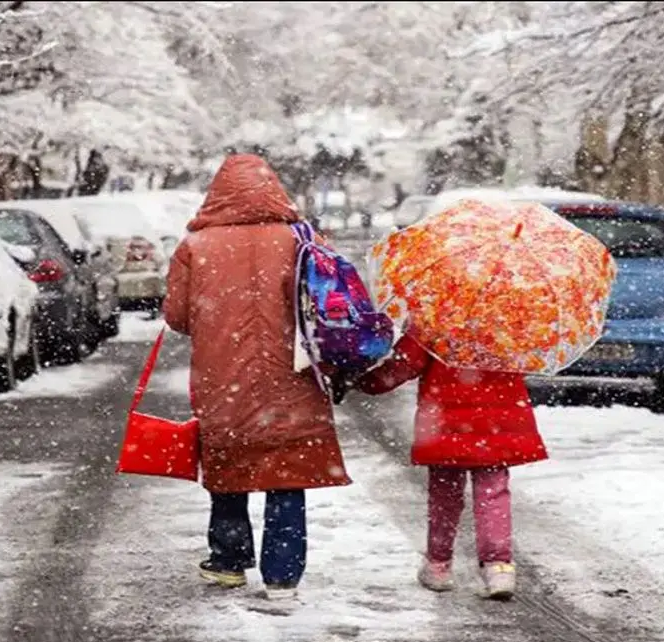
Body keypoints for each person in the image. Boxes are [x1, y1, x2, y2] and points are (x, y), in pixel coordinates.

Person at [162, 153, 350, 602]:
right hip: (294, 375)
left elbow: (177, 316)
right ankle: (283, 574)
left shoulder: (196, 246)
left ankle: (229, 560)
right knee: (287, 469)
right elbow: (327, 305)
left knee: (230, 463)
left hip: (222, 375)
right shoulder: (300, 239)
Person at [354, 331, 548, 600]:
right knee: (493, 494)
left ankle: (438, 565)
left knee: (444, 495)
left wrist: (364, 381)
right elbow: (531, 360)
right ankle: (499, 567)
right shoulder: (511, 316)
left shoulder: (436, 315)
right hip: (498, 417)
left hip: (445, 419)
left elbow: (404, 364)